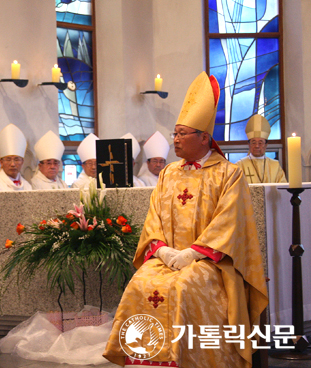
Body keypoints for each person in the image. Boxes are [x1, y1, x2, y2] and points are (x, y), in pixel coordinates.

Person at [103, 72, 268, 367]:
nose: (175, 140)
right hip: (166, 257)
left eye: (182, 134)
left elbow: (230, 224)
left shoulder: (229, 174)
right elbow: (154, 216)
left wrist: (193, 252)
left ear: (204, 137)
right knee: (140, 283)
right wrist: (163, 250)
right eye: (175, 134)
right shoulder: (168, 173)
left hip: (212, 262)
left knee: (183, 287)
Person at [236, 114, 287, 183]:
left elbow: (282, 188)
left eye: (260, 142)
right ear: (249, 144)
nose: (257, 146)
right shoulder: (240, 165)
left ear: (266, 145)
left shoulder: (275, 165)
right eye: (253, 142)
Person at [0, 124, 32, 191]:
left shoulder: (27, 186)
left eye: (16, 159)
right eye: (8, 159)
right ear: (1, 162)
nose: (12, 164)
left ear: (22, 162)